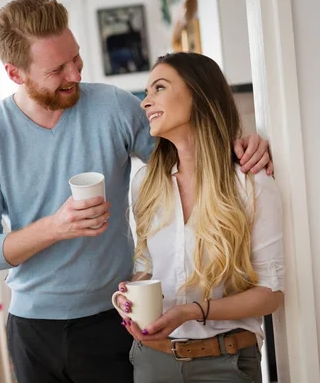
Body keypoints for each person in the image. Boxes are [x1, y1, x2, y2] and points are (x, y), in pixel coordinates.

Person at [0, 0, 273, 383]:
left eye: (76, 58)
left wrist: (240, 146)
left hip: (115, 320)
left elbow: (189, 155)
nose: (74, 74)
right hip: (33, 330)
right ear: (15, 73)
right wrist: (58, 226)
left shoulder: (115, 107)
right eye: (57, 69)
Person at [114, 52, 284, 383]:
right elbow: (147, 267)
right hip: (153, 361)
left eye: (158, 88)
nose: (145, 103)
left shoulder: (252, 185)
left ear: (199, 93)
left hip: (228, 363)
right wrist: (132, 294)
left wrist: (192, 311)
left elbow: (271, 294)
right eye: (146, 93)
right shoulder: (145, 184)